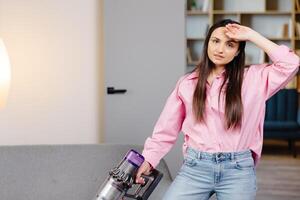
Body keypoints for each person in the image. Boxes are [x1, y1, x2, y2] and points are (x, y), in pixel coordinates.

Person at [135, 19, 300, 199]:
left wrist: (251, 35)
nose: (220, 49)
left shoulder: (255, 79)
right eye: (215, 41)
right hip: (195, 168)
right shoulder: (187, 84)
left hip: (238, 171)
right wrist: (149, 160)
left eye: (230, 44)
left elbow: (291, 63)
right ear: (207, 44)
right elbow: (165, 130)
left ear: (238, 52)